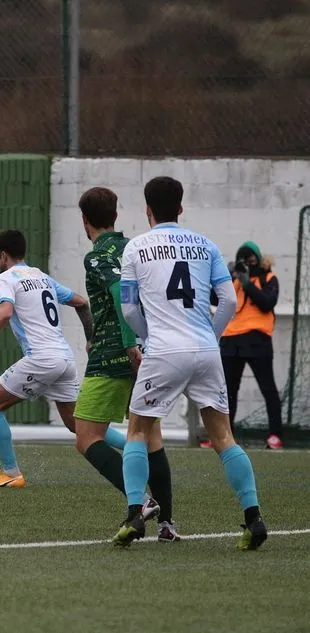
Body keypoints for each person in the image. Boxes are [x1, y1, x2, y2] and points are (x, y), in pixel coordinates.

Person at [115, 176, 266, 550]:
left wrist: (149, 337)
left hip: (164, 350)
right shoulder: (207, 246)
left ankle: (135, 512)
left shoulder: (135, 248)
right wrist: (210, 336)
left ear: (147, 210)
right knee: (223, 436)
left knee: (137, 430)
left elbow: (129, 307)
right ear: (181, 209)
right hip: (205, 350)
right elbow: (228, 302)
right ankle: (254, 519)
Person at [75, 187, 178, 541]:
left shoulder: (98, 256)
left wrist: (125, 341)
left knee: (86, 436)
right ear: (116, 216)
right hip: (148, 350)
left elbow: (120, 294)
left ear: (85, 220)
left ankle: (142, 502)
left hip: (113, 355)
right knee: (151, 436)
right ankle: (167, 524)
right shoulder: (135, 247)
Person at [0, 230, 92, 489]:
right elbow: (82, 302)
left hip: (41, 359)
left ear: (3, 255)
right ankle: (134, 445)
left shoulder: (6, 278)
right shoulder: (41, 276)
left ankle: (11, 473)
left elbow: (5, 313)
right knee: (80, 426)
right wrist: (91, 340)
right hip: (64, 359)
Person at [208, 241, 283, 450]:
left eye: (250, 259)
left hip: (257, 340)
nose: (247, 263)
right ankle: (224, 435)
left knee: (268, 388)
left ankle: (275, 434)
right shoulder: (235, 280)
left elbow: (267, 302)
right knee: (227, 390)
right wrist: (225, 276)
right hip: (232, 340)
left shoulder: (268, 277)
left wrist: (247, 282)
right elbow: (215, 298)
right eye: (243, 260)